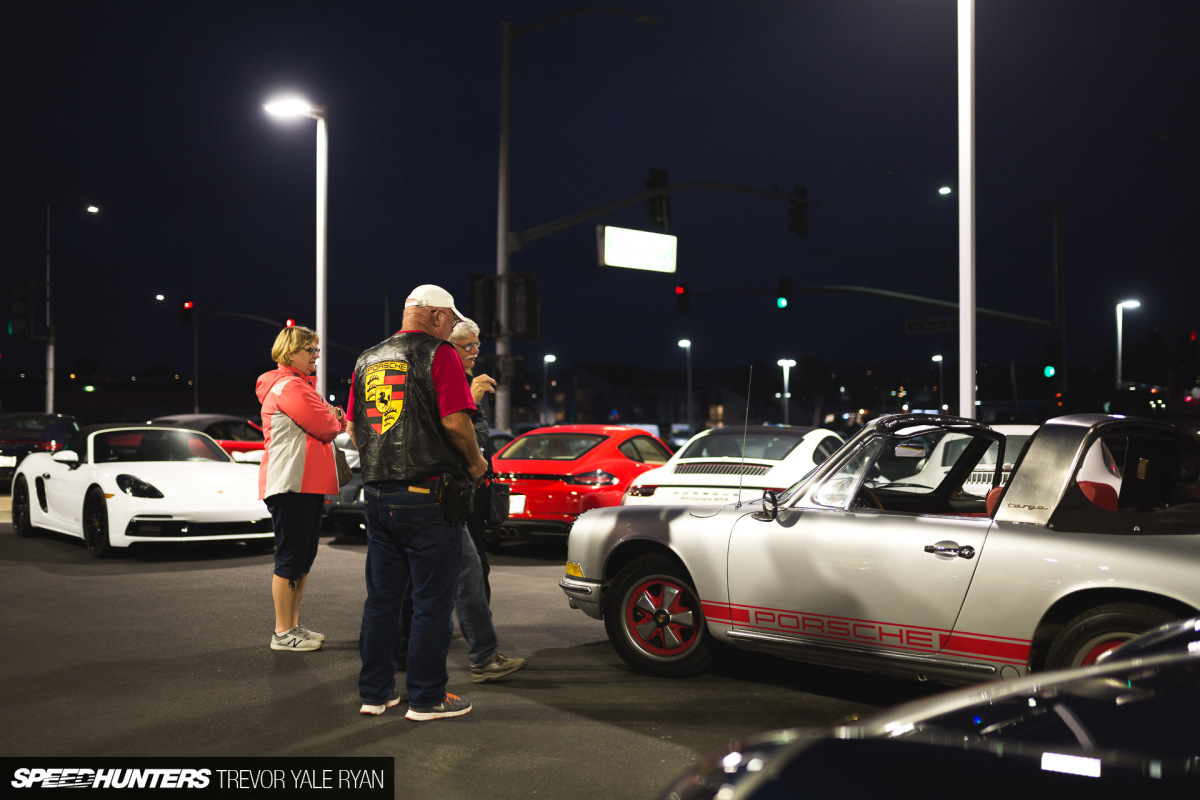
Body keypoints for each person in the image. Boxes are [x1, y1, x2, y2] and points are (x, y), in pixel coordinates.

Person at [350, 284, 489, 721]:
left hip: (376, 495)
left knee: (382, 600)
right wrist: (476, 463)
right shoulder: (438, 354)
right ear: (435, 317)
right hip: (428, 493)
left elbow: (355, 429)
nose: (449, 327)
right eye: (448, 319)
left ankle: (375, 693)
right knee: (432, 602)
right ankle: (427, 697)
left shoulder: (367, 358)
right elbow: (455, 421)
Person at [256, 325, 346, 652]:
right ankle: (282, 632)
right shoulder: (289, 386)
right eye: (310, 350)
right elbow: (327, 425)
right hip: (291, 484)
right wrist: (333, 417)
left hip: (304, 484)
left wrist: (334, 417)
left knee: (302, 558)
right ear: (290, 352)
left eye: (317, 350)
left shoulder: (299, 386)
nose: (316, 356)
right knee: (291, 558)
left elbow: (334, 420)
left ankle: (292, 626)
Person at [447, 318, 525, 682]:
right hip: (454, 491)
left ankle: (480, 641)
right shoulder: (451, 384)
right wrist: (473, 400)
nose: (476, 353)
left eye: (478, 346)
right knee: (468, 570)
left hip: (467, 491)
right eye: (468, 346)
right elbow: (467, 438)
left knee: (473, 568)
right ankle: (481, 650)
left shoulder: (462, 381)